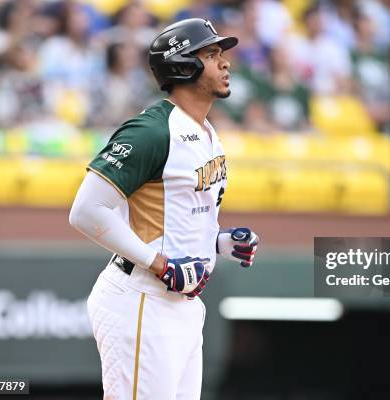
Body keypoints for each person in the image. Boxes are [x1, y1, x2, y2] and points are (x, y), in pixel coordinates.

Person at [69, 18, 259, 400]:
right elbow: (86, 211)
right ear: (182, 65)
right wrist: (158, 262)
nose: (224, 63)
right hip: (142, 297)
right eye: (210, 54)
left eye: (221, 54)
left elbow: (176, 213)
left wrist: (218, 242)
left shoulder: (206, 131)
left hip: (181, 305)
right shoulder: (151, 130)